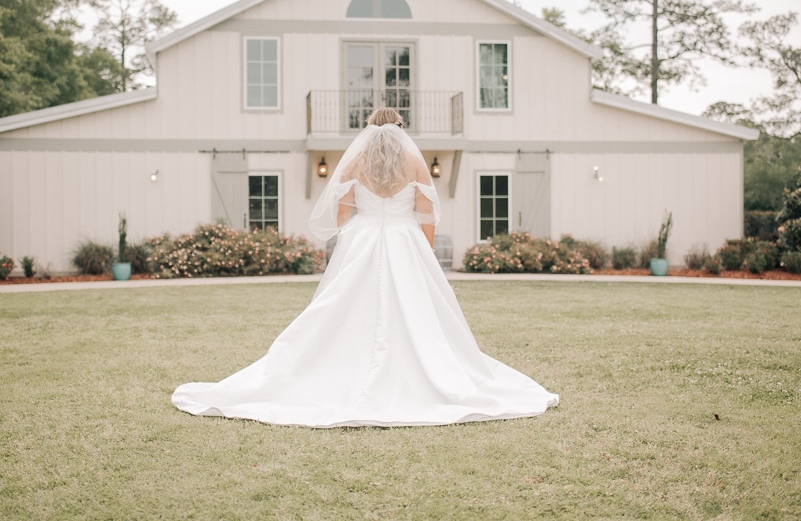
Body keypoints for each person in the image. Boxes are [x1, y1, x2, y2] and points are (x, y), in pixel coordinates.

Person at [171, 108, 558, 427]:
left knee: (343, 308)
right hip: (406, 240)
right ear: (402, 131)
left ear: (367, 131)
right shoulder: (416, 163)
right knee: (416, 312)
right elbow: (427, 216)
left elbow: (341, 216)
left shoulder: (355, 161)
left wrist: (362, 224)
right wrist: (422, 253)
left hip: (364, 239)